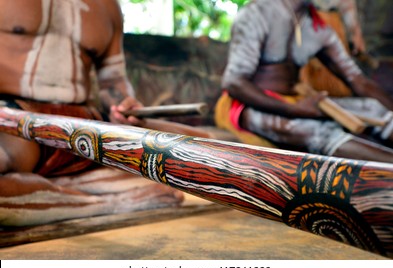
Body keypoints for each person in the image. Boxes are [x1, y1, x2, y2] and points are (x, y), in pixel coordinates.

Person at [0, 0, 184, 226]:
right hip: (13, 118)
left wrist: (125, 106)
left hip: (84, 123)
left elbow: (114, 83)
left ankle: (45, 192)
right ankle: (106, 204)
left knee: (201, 150)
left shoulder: (108, 7)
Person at [216, 0, 393, 163]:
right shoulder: (256, 13)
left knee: (372, 108)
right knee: (317, 131)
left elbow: (358, 81)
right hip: (250, 106)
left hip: (296, 100)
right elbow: (234, 83)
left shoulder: (317, 27)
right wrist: (293, 109)